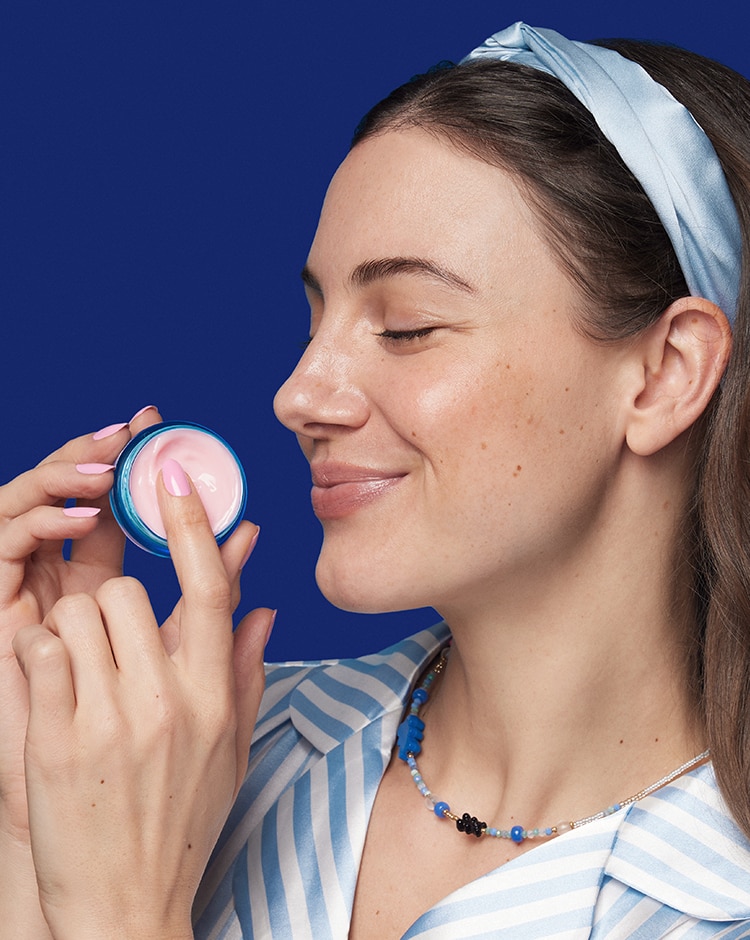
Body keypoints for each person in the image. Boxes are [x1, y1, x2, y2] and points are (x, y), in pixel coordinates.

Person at [2, 20, 750, 939]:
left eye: (406, 326)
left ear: (666, 373)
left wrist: (119, 911)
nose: (297, 394)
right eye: (315, 320)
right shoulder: (183, 758)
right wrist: (32, 821)